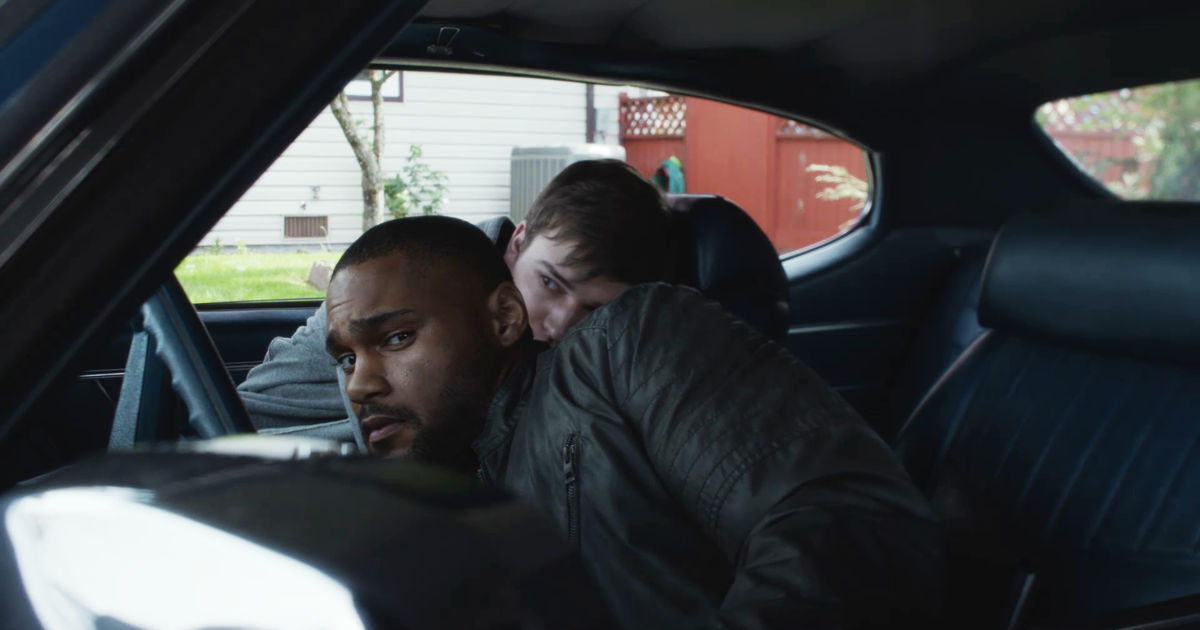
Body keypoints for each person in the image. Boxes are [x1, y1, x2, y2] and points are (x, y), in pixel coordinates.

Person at [324, 216, 945, 630]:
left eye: (397, 338)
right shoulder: (440, 481)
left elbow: (844, 524)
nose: (358, 385)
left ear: (506, 318)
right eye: (347, 358)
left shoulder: (624, 348)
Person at [238, 159, 675, 431]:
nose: (559, 324)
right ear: (518, 241)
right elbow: (255, 408)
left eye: (595, 308)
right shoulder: (400, 286)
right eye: (549, 283)